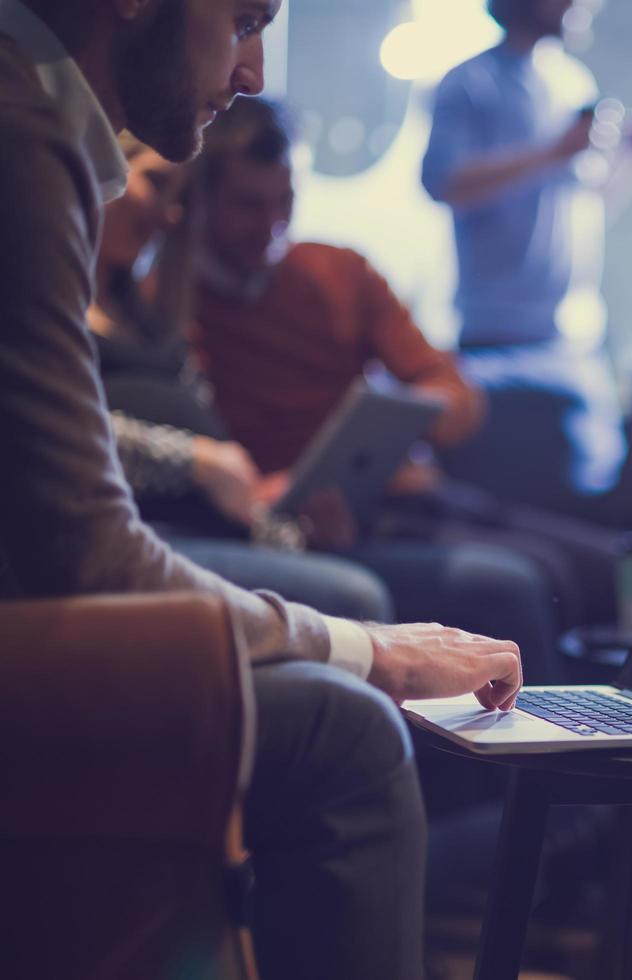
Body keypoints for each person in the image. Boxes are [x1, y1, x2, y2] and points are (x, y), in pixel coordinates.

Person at [0, 2, 523, 978]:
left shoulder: (45, 136)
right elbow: (87, 552)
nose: (251, 71)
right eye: (243, 18)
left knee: (484, 584)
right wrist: (377, 655)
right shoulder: (21, 134)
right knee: (346, 721)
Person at [190, 94, 590, 681]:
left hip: (411, 494)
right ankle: (546, 762)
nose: (273, 228)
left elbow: (456, 396)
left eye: (287, 202)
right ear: (200, 200)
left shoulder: (338, 272)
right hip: (317, 526)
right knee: (530, 578)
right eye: (250, 206)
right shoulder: (181, 313)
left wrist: (402, 417)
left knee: (608, 565)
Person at [93, 134, 395, 622]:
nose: (169, 215)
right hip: (147, 531)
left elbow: (233, 486)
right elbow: (48, 433)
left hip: (215, 529)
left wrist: (294, 529)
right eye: (155, 183)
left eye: (182, 199)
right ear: (96, 162)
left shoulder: (148, 314)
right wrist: (195, 461)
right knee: (358, 597)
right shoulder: (47, 311)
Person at [421, 0, 632, 503]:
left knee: (588, 507)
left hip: (573, 344)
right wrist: (553, 150)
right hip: (497, 341)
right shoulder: (470, 82)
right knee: (510, 508)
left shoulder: (575, 81)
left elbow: (584, 206)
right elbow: (441, 181)